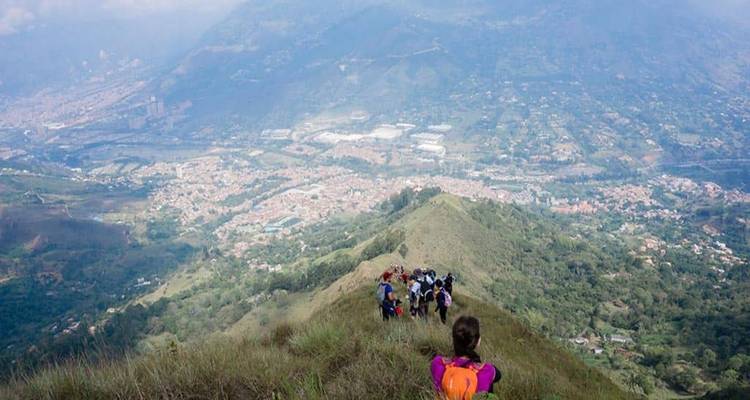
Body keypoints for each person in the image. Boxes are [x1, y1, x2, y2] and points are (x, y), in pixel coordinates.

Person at [431, 316, 502, 399]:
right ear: (478, 341)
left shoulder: (438, 363)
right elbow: (498, 375)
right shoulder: (486, 370)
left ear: (454, 340)